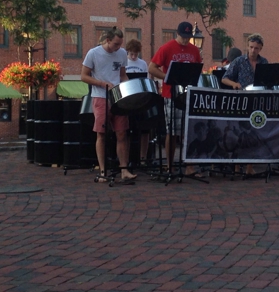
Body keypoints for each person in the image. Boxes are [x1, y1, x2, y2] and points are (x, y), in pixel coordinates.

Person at [81, 26, 137, 182]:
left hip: (118, 97)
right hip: (100, 96)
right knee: (102, 133)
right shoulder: (93, 53)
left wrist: (129, 87)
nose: (118, 48)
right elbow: (84, 76)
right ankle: (103, 171)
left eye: (120, 44)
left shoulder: (121, 54)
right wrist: (101, 83)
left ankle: (124, 170)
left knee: (122, 133)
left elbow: (122, 75)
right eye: (115, 44)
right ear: (107, 40)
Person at [148, 21, 202, 175]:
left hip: (188, 94)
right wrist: (168, 77)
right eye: (183, 37)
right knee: (171, 131)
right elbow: (152, 67)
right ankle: (170, 166)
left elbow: (198, 68)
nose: (185, 40)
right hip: (171, 94)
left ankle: (189, 166)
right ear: (177, 34)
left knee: (189, 131)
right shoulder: (167, 48)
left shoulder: (194, 50)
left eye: (188, 37)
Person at [222, 33, 268, 175]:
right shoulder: (239, 61)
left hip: (258, 101)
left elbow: (269, 80)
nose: (253, 50)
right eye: (251, 47)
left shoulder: (264, 62)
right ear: (247, 46)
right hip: (242, 100)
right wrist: (235, 84)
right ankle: (236, 165)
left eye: (256, 48)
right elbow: (224, 79)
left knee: (254, 132)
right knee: (239, 133)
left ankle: (249, 165)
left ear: (260, 49)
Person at [125, 39, 151, 165]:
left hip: (140, 99)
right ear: (128, 52)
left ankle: (143, 158)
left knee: (145, 130)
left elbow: (147, 80)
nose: (134, 57)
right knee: (127, 130)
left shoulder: (143, 64)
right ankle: (127, 158)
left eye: (136, 54)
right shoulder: (124, 63)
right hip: (128, 99)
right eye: (131, 54)